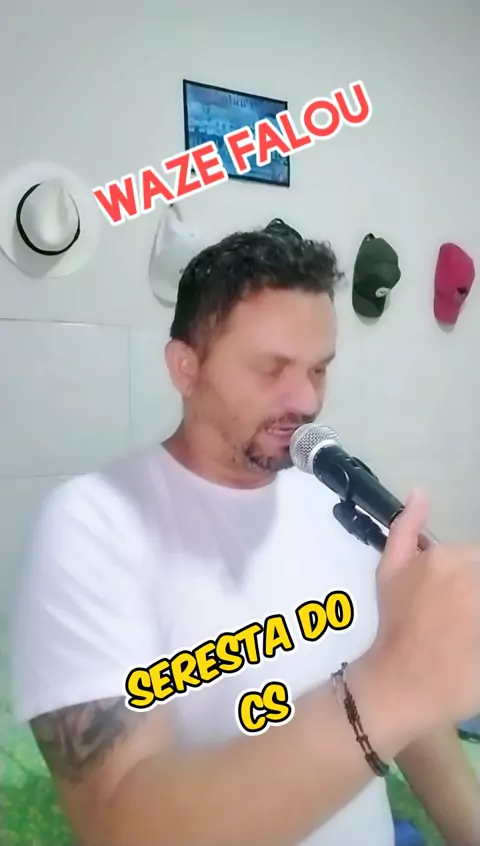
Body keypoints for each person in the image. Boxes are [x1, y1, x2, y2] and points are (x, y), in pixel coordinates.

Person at [10, 219, 480, 846]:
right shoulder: (92, 528)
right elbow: (120, 824)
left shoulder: (333, 499)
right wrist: (391, 687)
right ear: (186, 367)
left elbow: (416, 719)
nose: (305, 400)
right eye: (271, 369)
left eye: (318, 370)